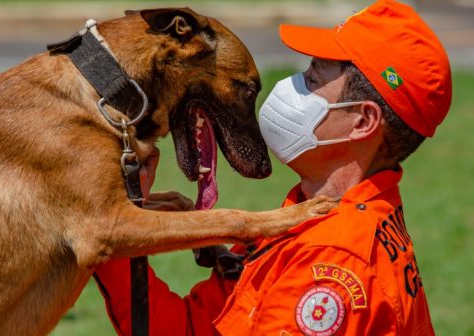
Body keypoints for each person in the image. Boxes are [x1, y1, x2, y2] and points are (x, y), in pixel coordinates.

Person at [94, 0, 451, 334]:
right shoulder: (309, 216)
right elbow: (188, 327)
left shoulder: (330, 264)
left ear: (362, 121)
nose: (289, 87)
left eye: (312, 79)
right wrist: (119, 225)